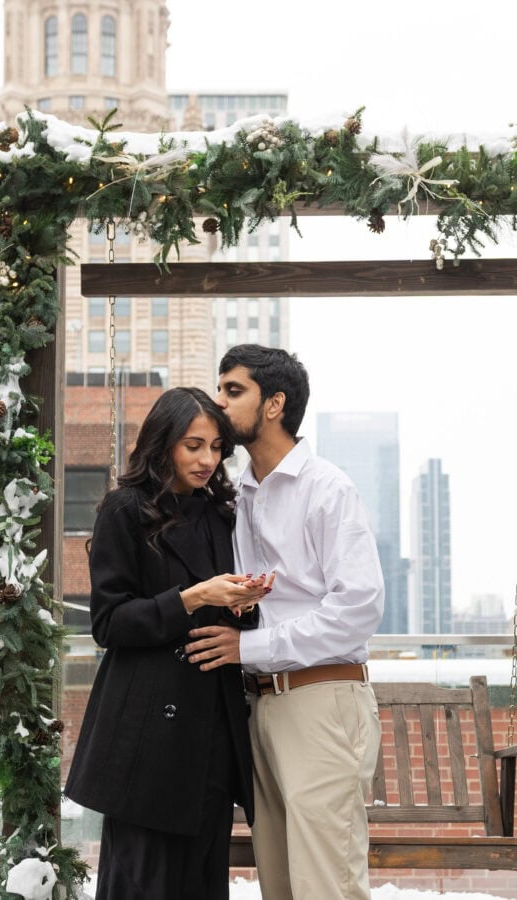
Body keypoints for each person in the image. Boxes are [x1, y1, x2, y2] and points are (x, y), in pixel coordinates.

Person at [185, 345, 384, 900]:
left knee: (327, 886)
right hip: (259, 707)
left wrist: (247, 647)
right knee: (280, 885)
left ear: (273, 404)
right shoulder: (240, 492)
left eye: (233, 390)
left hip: (320, 703)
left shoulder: (327, 488)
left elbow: (358, 609)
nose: (218, 402)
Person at [64, 386, 272, 900]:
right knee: (141, 882)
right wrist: (193, 597)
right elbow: (109, 622)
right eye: (193, 445)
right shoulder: (124, 510)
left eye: (217, 447)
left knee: (203, 881)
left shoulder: (222, 514)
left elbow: (232, 624)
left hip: (213, 729)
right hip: (146, 736)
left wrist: (245, 606)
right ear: (162, 445)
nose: (208, 460)